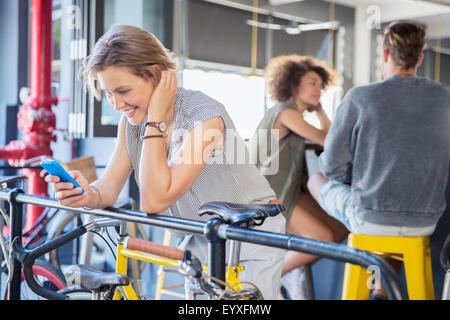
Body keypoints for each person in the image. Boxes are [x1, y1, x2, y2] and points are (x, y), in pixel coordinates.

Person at [45, 25, 286, 299]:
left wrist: (156, 118)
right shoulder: (131, 123)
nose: (116, 104)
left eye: (123, 90)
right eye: (109, 93)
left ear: (158, 76)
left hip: (249, 233)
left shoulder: (204, 118)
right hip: (200, 234)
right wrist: (87, 194)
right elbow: (109, 186)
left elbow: (154, 200)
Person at [307, 21, 450, 298]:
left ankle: (375, 285)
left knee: (316, 178)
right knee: (398, 222)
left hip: (369, 218)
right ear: (419, 58)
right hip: (425, 221)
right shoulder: (445, 98)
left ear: (384, 55)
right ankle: (380, 287)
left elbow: (332, 169)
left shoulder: (360, 97)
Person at [250, 55, 348, 299]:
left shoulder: (295, 116)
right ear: (294, 84)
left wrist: (321, 109)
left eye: (320, 85)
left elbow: (328, 135)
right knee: (323, 237)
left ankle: (291, 266)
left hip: (289, 191)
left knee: (340, 224)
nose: (318, 89)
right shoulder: (285, 113)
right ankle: (267, 278)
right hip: (271, 196)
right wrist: (321, 114)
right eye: (312, 83)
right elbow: (328, 140)